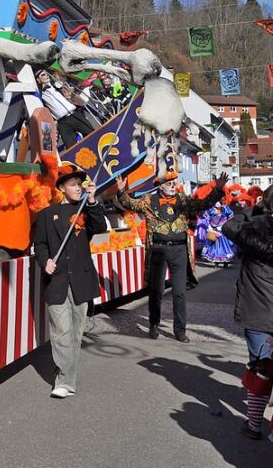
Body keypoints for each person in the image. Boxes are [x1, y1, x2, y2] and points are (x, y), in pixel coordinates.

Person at [116, 170, 228, 342]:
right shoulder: (148, 201)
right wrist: (122, 191)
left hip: (179, 251)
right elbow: (129, 203)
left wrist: (218, 189)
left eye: (174, 182)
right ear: (160, 186)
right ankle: (154, 324)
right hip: (158, 251)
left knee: (179, 292)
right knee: (156, 290)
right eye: (169, 183)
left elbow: (204, 204)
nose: (172, 186)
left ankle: (180, 330)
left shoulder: (183, 200)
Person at [32, 161, 107, 399]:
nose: (78, 188)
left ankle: (64, 371)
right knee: (61, 332)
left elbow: (100, 226)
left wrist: (93, 200)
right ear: (62, 187)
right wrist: (45, 261)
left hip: (81, 281)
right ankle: (65, 381)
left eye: (80, 185)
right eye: (73, 184)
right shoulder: (46, 215)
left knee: (75, 334)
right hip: (57, 281)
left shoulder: (86, 210)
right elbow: (40, 244)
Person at [223, 187, 273, 439]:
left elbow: (229, 226)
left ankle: (254, 425)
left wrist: (256, 207)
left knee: (260, 369)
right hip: (260, 308)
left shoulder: (254, 225)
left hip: (258, 308)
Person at [35, 69, 95, 150]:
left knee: (92, 134)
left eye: (46, 74)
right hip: (62, 122)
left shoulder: (57, 85)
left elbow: (62, 76)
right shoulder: (41, 94)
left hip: (74, 115)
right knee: (71, 146)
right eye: (43, 75)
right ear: (38, 80)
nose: (46, 76)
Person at [196, 201, 237, 266]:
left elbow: (231, 215)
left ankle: (225, 262)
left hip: (223, 231)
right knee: (215, 247)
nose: (214, 209)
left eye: (216, 208)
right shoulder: (211, 211)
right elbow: (206, 217)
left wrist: (226, 224)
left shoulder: (225, 210)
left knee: (224, 246)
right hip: (214, 231)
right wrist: (210, 228)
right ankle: (216, 262)